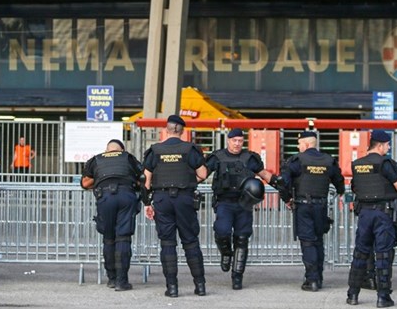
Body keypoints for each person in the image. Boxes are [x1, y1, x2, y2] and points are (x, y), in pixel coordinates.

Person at [142, 115, 209, 298]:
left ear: (166, 129)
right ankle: (200, 286)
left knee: (168, 243)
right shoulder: (190, 149)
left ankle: (172, 288)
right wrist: (188, 181)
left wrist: (147, 203)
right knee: (191, 241)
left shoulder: (155, 151)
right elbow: (203, 173)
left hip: (162, 199)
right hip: (185, 198)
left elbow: (145, 182)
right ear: (182, 131)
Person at [206, 128, 280, 290]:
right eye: (234, 140)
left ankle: (237, 276)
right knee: (222, 231)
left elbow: (264, 174)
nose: (237, 144)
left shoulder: (249, 158)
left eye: (240, 141)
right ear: (228, 140)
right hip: (224, 202)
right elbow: (201, 174)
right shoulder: (217, 157)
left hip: (243, 204)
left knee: (242, 238)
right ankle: (226, 254)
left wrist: (279, 183)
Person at [278, 131, 345, 292]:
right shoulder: (329, 160)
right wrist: (339, 192)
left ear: (306, 144)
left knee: (308, 241)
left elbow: (282, 183)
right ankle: (319, 277)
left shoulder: (297, 161)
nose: (298, 147)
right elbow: (340, 183)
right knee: (318, 241)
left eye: (299, 144)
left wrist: (287, 199)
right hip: (321, 206)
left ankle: (312, 280)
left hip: (303, 205)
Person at [346, 130, 397, 308]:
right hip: (382, 214)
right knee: (383, 254)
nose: (388, 148)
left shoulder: (357, 164)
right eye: (387, 145)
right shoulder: (385, 163)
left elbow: (355, 188)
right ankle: (383, 297)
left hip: (364, 213)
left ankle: (352, 295)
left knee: (360, 254)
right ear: (379, 145)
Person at [81, 139, 143, 291]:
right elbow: (141, 178)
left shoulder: (96, 160)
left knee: (109, 238)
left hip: (105, 198)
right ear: (121, 150)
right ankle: (122, 282)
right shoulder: (128, 158)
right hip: (126, 196)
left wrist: (102, 180)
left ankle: (111, 279)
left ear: (107, 149)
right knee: (123, 237)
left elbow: (85, 183)